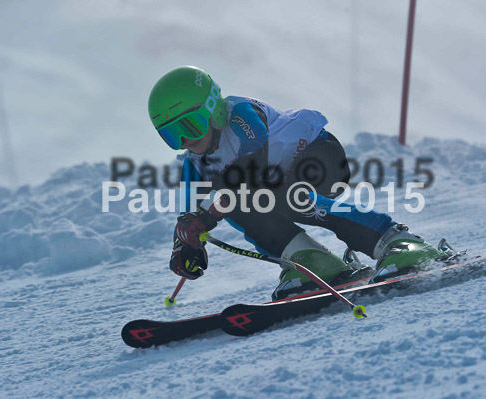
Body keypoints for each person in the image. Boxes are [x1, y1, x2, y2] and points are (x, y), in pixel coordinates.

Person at [148, 66, 448, 300]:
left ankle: (395, 240)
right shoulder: (193, 163)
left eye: (190, 126)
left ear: (212, 108)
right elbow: (191, 210)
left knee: (283, 196)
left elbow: (251, 165)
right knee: (243, 208)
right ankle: (312, 261)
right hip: (274, 184)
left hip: (318, 157)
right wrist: (186, 241)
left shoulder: (239, 114)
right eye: (172, 136)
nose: (187, 141)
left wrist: (208, 215)